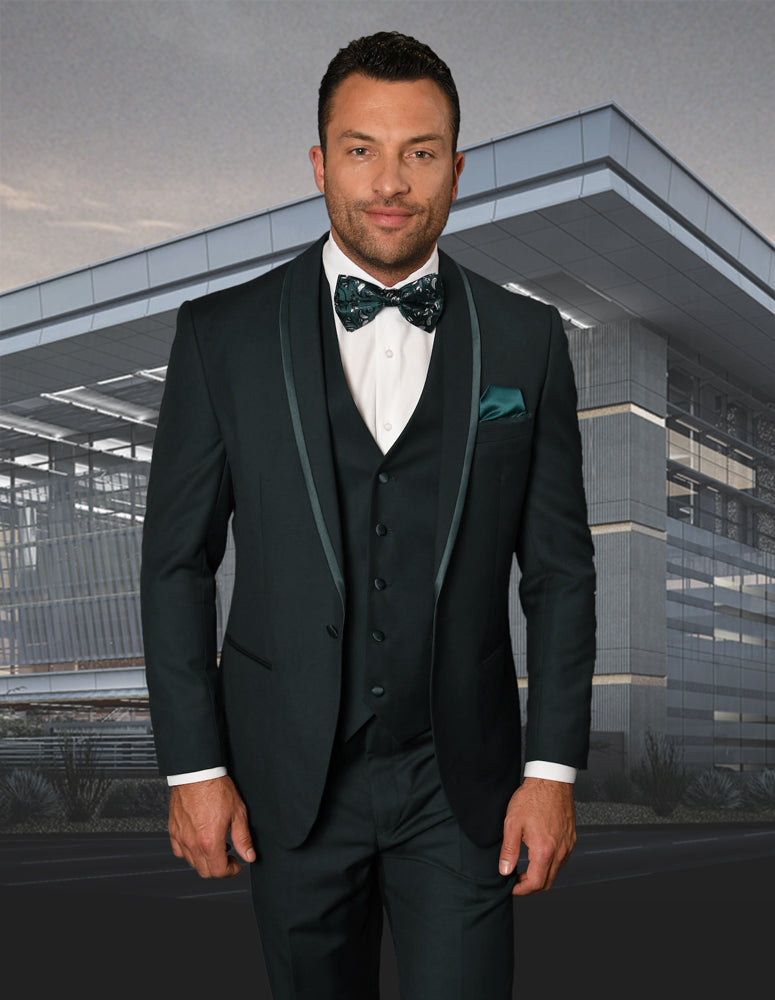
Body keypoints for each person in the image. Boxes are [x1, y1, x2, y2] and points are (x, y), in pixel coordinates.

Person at [141, 30, 596, 1000]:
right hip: (286, 782)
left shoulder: (527, 340)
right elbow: (176, 560)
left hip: (463, 782)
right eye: (360, 149)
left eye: (419, 152)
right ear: (318, 163)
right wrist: (192, 769)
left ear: (457, 169)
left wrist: (551, 770)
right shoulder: (220, 338)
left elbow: (559, 570)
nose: (389, 182)